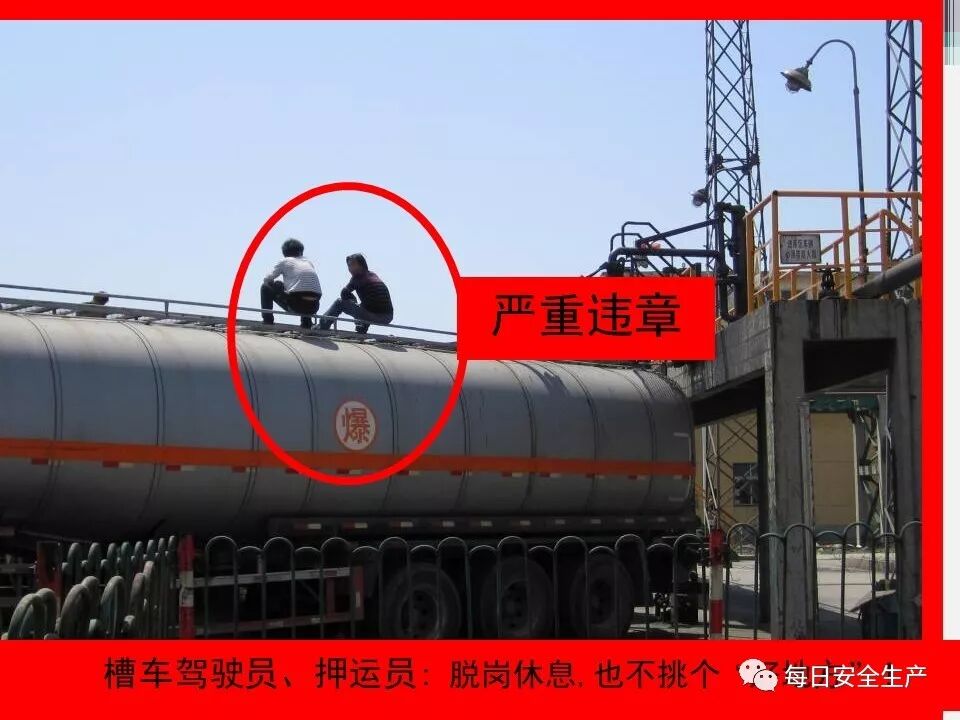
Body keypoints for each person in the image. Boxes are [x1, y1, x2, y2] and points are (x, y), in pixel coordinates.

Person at [318, 253, 394, 334]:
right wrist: (355, 303)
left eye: (353, 265)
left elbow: (343, 293)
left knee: (339, 302)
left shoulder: (358, 277)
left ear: (362, 265)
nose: (350, 268)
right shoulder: (373, 275)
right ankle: (361, 327)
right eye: (349, 266)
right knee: (364, 304)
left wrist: (353, 301)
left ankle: (322, 326)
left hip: (374, 315)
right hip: (388, 317)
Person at [261, 238, 322, 329]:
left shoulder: (285, 261)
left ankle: (267, 320)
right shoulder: (308, 262)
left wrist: (273, 283)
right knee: (304, 289)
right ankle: (306, 323)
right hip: (314, 307)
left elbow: (267, 279)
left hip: (296, 306)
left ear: (284, 253)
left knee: (266, 287)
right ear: (301, 252)